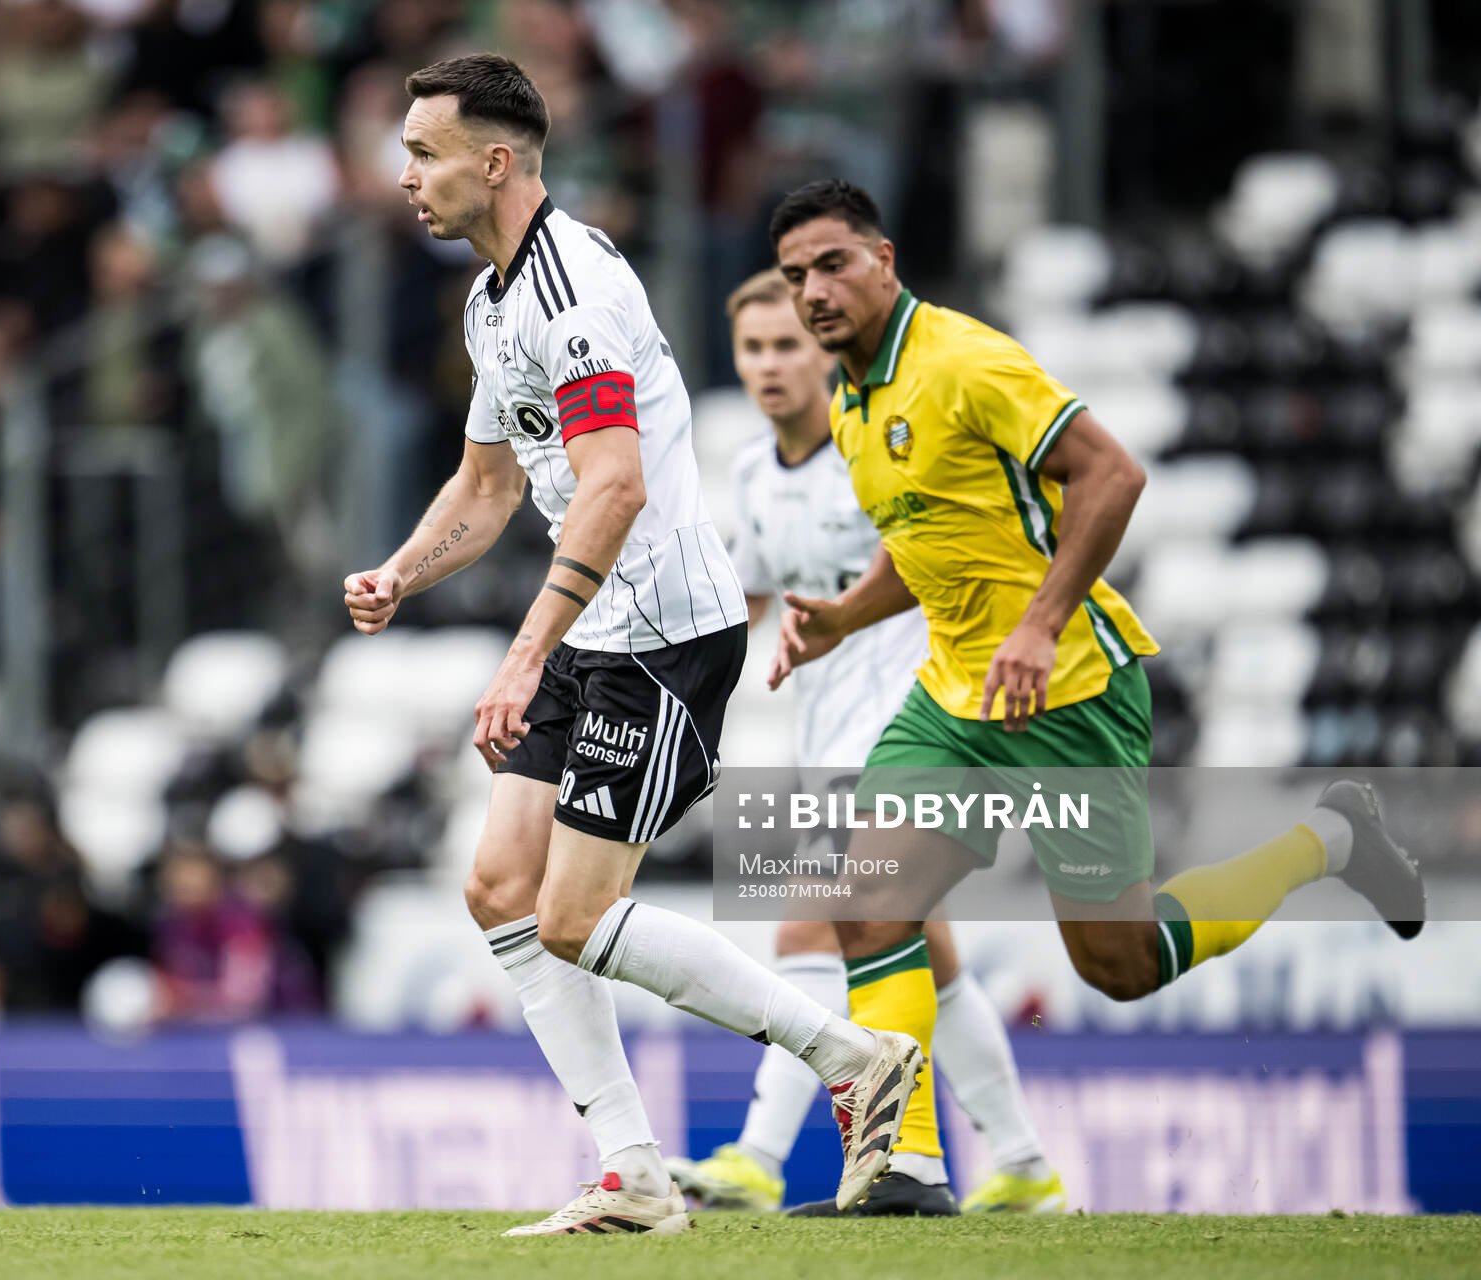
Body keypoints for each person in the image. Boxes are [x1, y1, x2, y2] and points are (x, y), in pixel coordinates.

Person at [342, 57, 921, 1237]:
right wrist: (403, 569)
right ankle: (635, 1174)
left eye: (424, 152)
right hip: (600, 623)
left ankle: (854, 1056)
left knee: (570, 912)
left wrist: (519, 656)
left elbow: (611, 489)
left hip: (660, 631)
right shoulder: (490, 298)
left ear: (495, 162)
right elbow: (490, 480)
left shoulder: (572, 296)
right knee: (499, 886)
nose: (404, 175)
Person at [764, 179, 1425, 1204]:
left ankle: (1332, 838)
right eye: (795, 273)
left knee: (1119, 962)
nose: (813, 289)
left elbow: (1111, 473)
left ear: (884, 260)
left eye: (832, 263)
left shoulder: (964, 360)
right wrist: (848, 615)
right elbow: (933, 541)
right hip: (956, 698)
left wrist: (1037, 623)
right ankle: (905, 1163)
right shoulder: (852, 395)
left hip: (1069, 689)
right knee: (867, 894)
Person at [664, 269, 1063, 1217]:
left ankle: (758, 1160)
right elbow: (751, 596)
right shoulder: (758, 473)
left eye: (786, 346)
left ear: (823, 348)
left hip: (915, 719)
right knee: (924, 951)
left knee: (810, 921)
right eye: (752, 350)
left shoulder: (875, 447)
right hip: (827, 730)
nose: (768, 366)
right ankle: (1025, 1163)